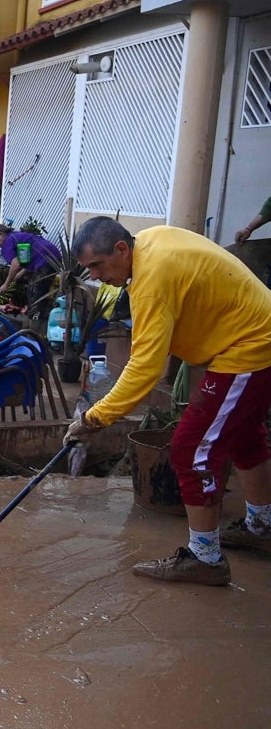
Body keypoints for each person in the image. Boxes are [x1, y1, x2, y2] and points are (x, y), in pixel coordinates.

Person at [64, 216, 271, 586]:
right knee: (244, 437)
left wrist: (93, 419)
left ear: (122, 250)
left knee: (191, 451)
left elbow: (145, 370)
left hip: (252, 347)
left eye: (97, 265)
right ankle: (261, 527)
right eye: (87, 269)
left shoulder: (150, 281)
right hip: (253, 337)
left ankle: (205, 558)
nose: (94, 276)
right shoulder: (150, 243)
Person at [0, 223, 61, 306]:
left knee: (35, 293)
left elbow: (15, 265)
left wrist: (6, 285)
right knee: (41, 291)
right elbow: (31, 257)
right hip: (55, 256)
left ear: (1, 234)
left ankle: (36, 316)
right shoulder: (16, 236)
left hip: (45, 261)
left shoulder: (7, 242)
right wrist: (19, 275)